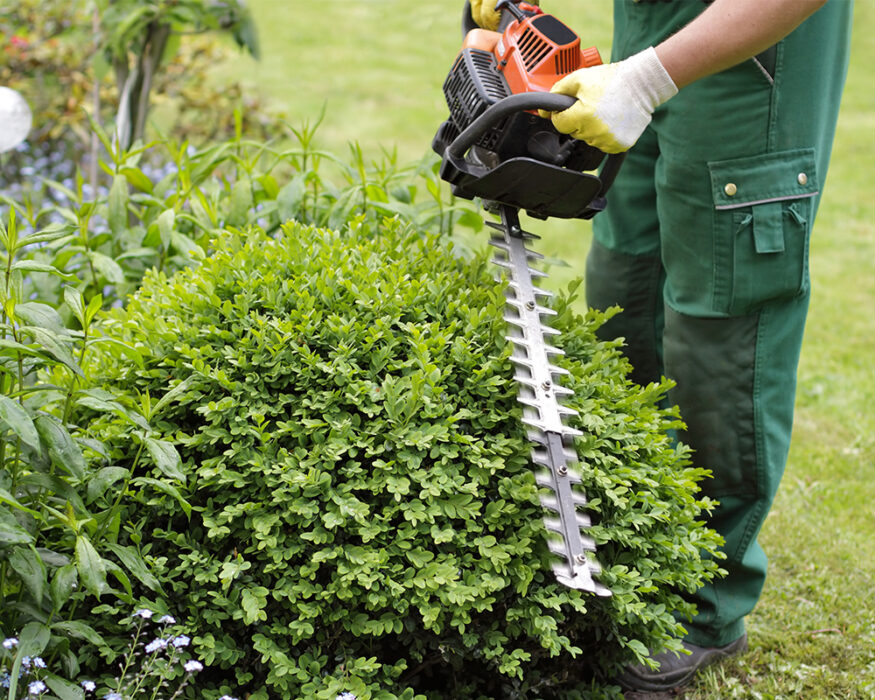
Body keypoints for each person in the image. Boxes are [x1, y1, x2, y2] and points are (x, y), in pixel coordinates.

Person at [469, 0, 853, 694]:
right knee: (625, 286)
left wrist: (647, 80)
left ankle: (705, 603)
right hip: (650, 27)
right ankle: (629, 547)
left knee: (719, 326)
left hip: (755, 56)